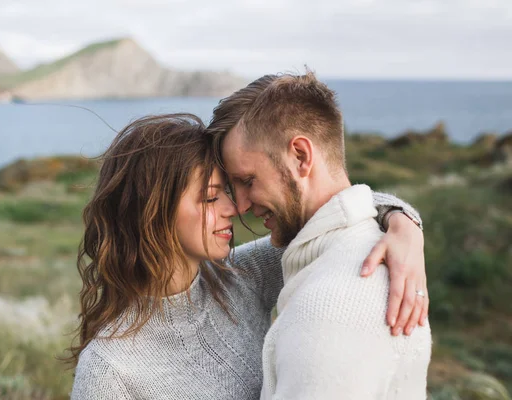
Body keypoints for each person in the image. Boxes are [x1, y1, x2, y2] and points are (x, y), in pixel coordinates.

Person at [69, 112, 426, 400]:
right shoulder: (108, 371)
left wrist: (402, 222)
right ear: (151, 212)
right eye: (211, 198)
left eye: (228, 190)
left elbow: (331, 214)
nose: (234, 207)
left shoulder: (241, 276)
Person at [208, 72, 431, 399]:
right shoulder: (350, 247)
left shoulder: (329, 312)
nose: (240, 205)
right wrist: (402, 217)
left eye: (247, 180)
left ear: (301, 156)